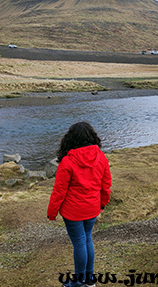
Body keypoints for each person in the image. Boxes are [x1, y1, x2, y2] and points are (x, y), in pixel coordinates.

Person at [47, 122, 112, 287]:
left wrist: (52, 212)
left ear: (71, 138)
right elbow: (106, 184)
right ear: (92, 137)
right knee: (87, 239)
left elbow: (59, 191)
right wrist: (102, 203)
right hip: (92, 208)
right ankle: (89, 280)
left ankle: (79, 281)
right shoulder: (101, 157)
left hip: (73, 212)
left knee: (80, 243)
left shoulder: (67, 162)